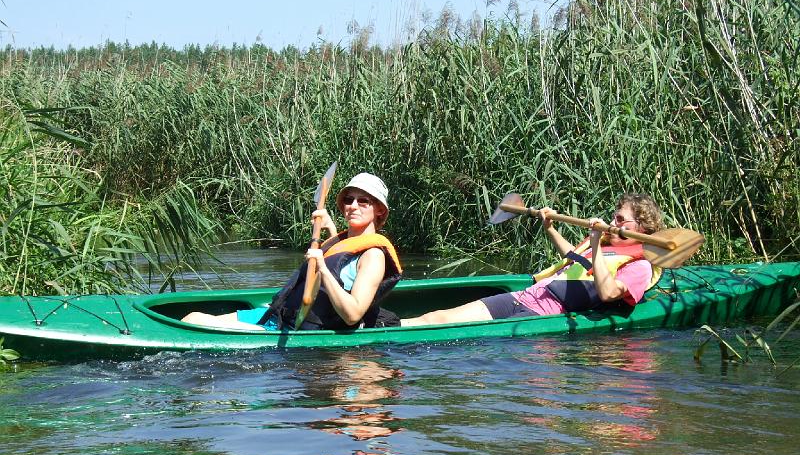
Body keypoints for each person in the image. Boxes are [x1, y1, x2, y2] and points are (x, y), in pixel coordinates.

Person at [402, 193, 664, 326]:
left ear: (640, 227)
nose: (613, 222)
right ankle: (389, 324)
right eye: (614, 217)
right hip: (525, 297)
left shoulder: (639, 266)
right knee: (437, 318)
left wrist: (595, 242)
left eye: (620, 219)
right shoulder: (606, 245)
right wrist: (550, 228)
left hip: (542, 313)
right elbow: (574, 260)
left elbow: (608, 293)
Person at [182, 172, 402, 330]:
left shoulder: (373, 256)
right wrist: (330, 229)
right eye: (348, 199)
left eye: (363, 201)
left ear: (379, 210)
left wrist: (322, 268)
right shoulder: (344, 240)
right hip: (280, 314)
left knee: (193, 322)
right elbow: (341, 261)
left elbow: (353, 314)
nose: (352, 206)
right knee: (191, 317)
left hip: (297, 326)